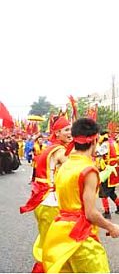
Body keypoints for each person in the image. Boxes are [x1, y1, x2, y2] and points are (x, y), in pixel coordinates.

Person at [42, 118, 119, 273]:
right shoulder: (88, 170)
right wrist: (111, 227)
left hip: (59, 232)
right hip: (80, 235)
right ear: (94, 141)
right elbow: (90, 213)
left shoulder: (65, 165)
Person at [19, 116, 72, 272]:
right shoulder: (59, 150)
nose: (70, 133)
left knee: (46, 244)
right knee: (55, 248)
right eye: (66, 130)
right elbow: (73, 168)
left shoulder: (49, 148)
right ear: (57, 133)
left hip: (42, 202)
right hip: (52, 204)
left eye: (71, 129)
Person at [97, 131, 119, 219]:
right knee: (111, 191)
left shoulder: (105, 144)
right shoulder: (113, 143)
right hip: (114, 169)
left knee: (103, 191)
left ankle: (107, 212)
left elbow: (97, 153)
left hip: (107, 170)